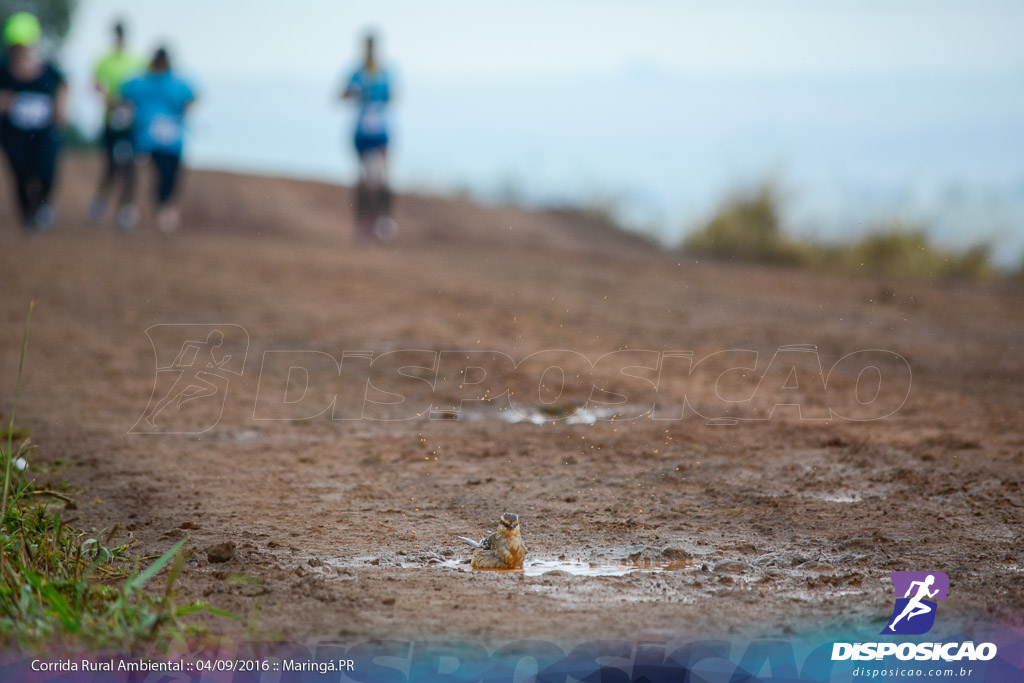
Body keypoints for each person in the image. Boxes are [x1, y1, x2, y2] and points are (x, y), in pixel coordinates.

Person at [0, 12, 67, 232]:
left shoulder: (48, 72)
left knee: (46, 171)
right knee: (20, 171)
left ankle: (42, 204)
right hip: (14, 134)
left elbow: (63, 85)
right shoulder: (4, 73)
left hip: (44, 133)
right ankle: (27, 214)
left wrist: (61, 107)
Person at [119, 46, 196, 232]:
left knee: (168, 176)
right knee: (135, 171)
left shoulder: (176, 84)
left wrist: (184, 113)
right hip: (145, 138)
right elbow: (125, 98)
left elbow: (190, 100)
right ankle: (129, 207)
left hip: (170, 140)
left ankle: (165, 209)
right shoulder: (140, 82)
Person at [88, 20, 145, 230]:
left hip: (132, 124)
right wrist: (110, 101)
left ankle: (126, 208)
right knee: (111, 164)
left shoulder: (138, 61)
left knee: (130, 167)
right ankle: (101, 201)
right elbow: (96, 85)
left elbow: (143, 89)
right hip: (111, 121)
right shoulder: (104, 60)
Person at [340, 32, 396, 241]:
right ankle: (363, 224)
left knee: (384, 179)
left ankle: (383, 222)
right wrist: (353, 92)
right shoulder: (356, 73)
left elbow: (392, 95)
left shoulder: (384, 72)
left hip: (380, 132)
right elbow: (341, 95)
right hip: (362, 134)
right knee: (364, 180)